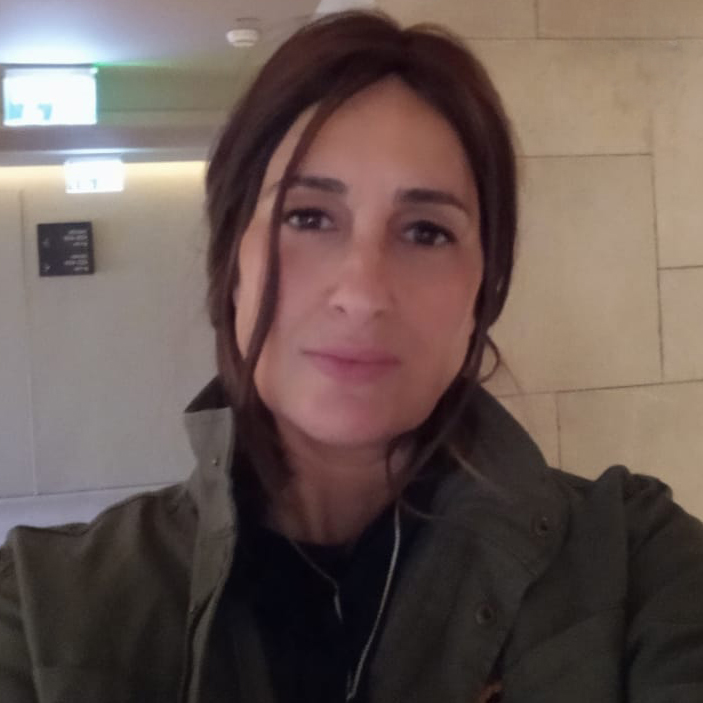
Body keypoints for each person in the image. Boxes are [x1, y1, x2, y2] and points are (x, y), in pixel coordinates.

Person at [1, 10, 703, 703]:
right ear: (232, 265)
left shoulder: (637, 562)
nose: (363, 294)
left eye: (426, 232)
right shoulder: (41, 610)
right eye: (308, 217)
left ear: (483, 290)